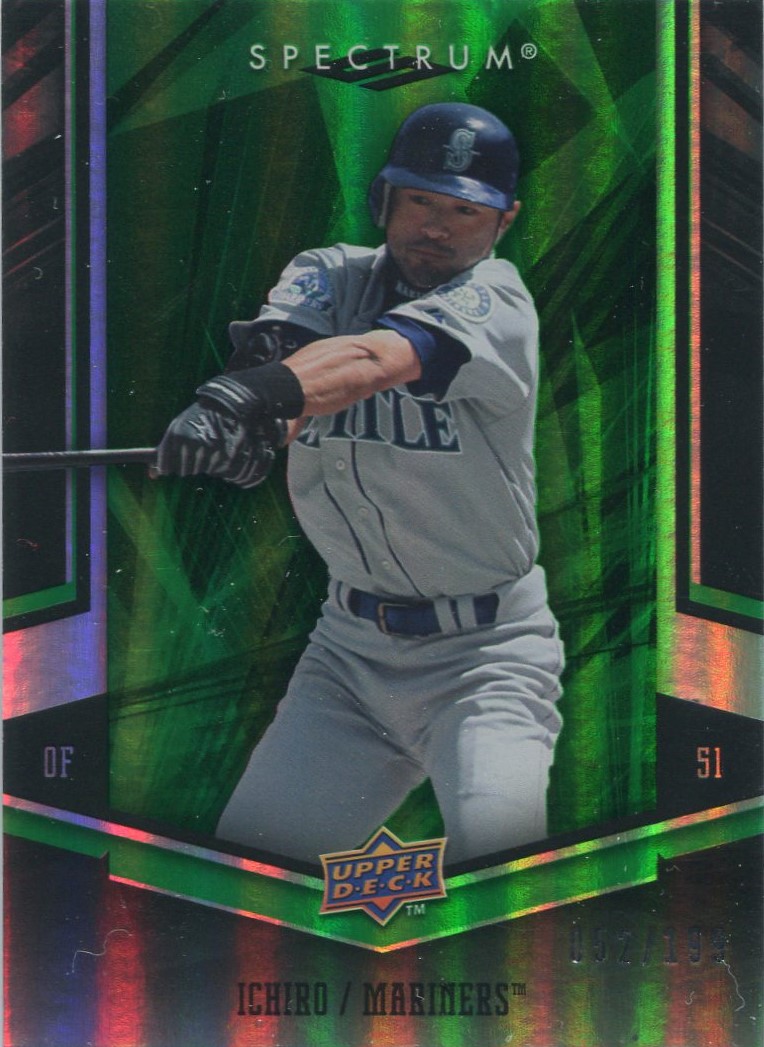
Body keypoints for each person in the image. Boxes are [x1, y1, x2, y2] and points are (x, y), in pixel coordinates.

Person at [155, 103, 565, 867]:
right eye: (421, 200)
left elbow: (375, 360)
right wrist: (248, 428)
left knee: (503, 876)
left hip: (486, 658)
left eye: (464, 210)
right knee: (246, 879)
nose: (438, 226)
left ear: (503, 221)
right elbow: (278, 364)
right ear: (385, 198)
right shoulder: (329, 272)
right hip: (346, 659)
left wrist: (241, 400)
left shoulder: (497, 300)